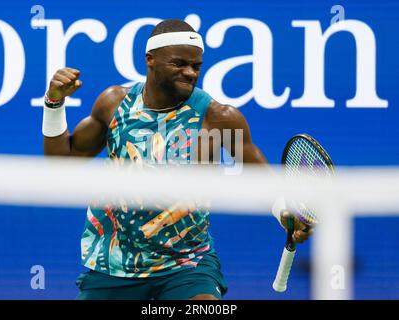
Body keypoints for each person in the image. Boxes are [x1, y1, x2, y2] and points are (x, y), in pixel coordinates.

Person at [42, 19, 312, 300]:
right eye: (179, 63)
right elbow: (61, 165)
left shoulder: (218, 120)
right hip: (113, 265)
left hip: (187, 266)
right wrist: (54, 103)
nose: (190, 72)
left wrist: (285, 213)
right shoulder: (114, 104)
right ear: (150, 60)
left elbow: (260, 181)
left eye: (196, 66)